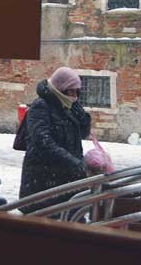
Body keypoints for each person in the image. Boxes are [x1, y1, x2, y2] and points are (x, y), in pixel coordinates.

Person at [18, 67, 91, 219]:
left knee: (73, 221)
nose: (75, 96)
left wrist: (82, 115)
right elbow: (42, 142)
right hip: (44, 180)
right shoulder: (40, 106)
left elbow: (83, 133)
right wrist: (73, 162)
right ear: (61, 89)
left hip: (67, 179)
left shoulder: (67, 106)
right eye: (71, 91)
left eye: (78, 92)